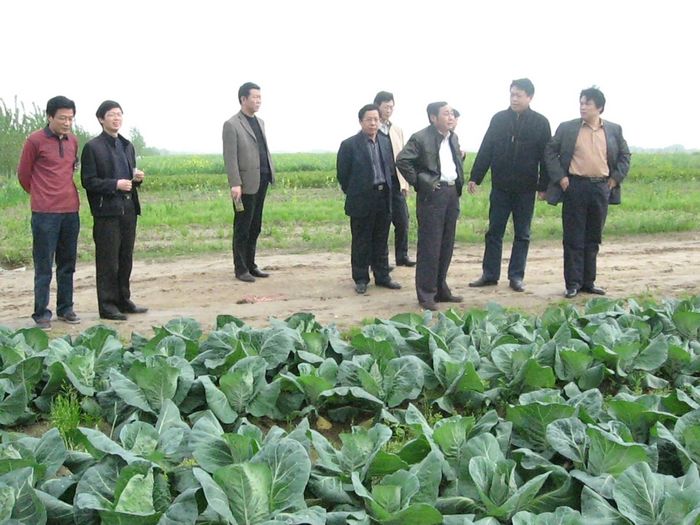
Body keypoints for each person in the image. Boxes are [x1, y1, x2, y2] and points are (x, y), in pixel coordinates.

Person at [544, 86, 631, 298]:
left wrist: (615, 179)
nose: (583, 107)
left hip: (601, 187)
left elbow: (625, 156)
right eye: (581, 103)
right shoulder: (567, 128)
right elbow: (550, 151)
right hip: (575, 186)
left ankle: (588, 282)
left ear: (599, 107)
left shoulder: (614, 130)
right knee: (573, 237)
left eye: (587, 103)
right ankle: (572, 283)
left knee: (593, 237)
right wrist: (561, 178)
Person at [468, 78, 551, 292]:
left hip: (526, 188)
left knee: (522, 234)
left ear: (530, 97)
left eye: (519, 95)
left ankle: (516, 276)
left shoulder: (541, 123)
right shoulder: (499, 119)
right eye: (512, 94)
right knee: (494, 232)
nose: (514, 99)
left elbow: (546, 157)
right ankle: (489, 274)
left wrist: (543, 186)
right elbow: (486, 148)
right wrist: (476, 177)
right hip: (501, 187)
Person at [17, 95, 81, 330]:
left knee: (67, 264)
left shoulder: (73, 140)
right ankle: (41, 313)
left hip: (70, 210)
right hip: (45, 213)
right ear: (50, 117)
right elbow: (24, 175)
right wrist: (41, 195)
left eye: (71, 118)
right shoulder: (35, 141)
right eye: (62, 118)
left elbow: (70, 169)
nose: (67, 123)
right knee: (44, 266)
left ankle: (66, 308)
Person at [81, 100, 148, 320]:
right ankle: (107, 305)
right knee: (108, 260)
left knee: (125, 257)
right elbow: (88, 181)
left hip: (128, 208)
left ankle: (123, 299)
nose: (116, 118)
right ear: (101, 119)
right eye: (111, 114)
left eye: (119, 114)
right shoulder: (93, 147)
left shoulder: (127, 145)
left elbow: (128, 178)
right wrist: (115, 184)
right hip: (106, 211)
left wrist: (136, 179)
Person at [396, 102, 464, 310]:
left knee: (446, 244)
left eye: (452, 113)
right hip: (433, 194)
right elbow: (402, 160)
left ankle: (441, 289)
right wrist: (421, 182)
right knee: (430, 246)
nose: (451, 117)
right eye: (446, 114)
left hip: (451, 193)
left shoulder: (452, 137)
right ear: (433, 117)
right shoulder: (420, 137)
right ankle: (426, 294)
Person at [337, 104, 401, 294]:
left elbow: (390, 168)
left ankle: (382, 276)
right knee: (361, 240)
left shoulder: (384, 142)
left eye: (376, 119)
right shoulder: (349, 145)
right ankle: (361, 278)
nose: (373, 123)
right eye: (369, 119)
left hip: (383, 196)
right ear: (360, 121)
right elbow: (343, 175)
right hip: (361, 199)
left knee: (381, 239)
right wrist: (356, 191)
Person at [223, 82, 275, 282]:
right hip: (244, 184)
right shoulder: (231, 124)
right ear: (243, 99)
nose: (258, 101)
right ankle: (241, 268)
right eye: (255, 97)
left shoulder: (260, 122)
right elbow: (230, 157)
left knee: (255, 226)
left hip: (261, 179)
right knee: (243, 227)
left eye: (260, 97)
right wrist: (235, 183)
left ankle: (251, 264)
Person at [374, 91, 415, 267]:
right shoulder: (372, 129)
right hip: (380, 183)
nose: (389, 110)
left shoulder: (396, 130)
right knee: (381, 225)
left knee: (402, 220)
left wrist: (405, 184)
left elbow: (403, 158)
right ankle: (380, 262)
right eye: (386, 107)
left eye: (391, 107)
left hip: (396, 181)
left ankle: (402, 256)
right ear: (377, 106)